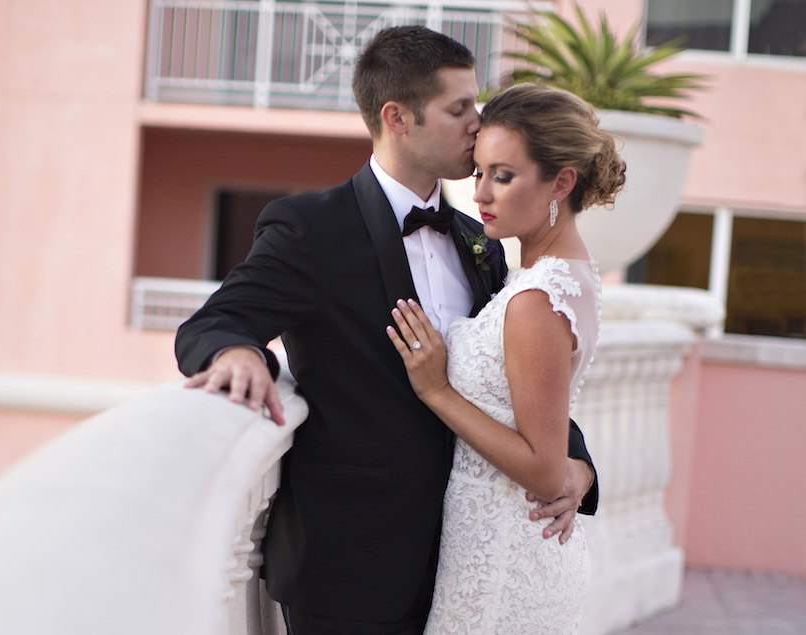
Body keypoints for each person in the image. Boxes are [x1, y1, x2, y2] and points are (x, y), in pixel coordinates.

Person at [176, 27, 599, 635]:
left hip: (464, 562)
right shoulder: (310, 229)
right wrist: (239, 353)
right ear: (398, 117)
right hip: (350, 567)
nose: (477, 124)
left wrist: (576, 467)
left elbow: (518, 378)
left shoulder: (477, 239)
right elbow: (216, 320)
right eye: (458, 109)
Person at [387, 83, 626, 633]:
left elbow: (544, 472)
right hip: (498, 548)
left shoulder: (537, 298)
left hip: (505, 560)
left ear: (561, 182)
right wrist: (580, 469)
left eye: (503, 175)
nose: (481, 196)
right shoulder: (560, 276)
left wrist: (437, 391)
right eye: (479, 174)